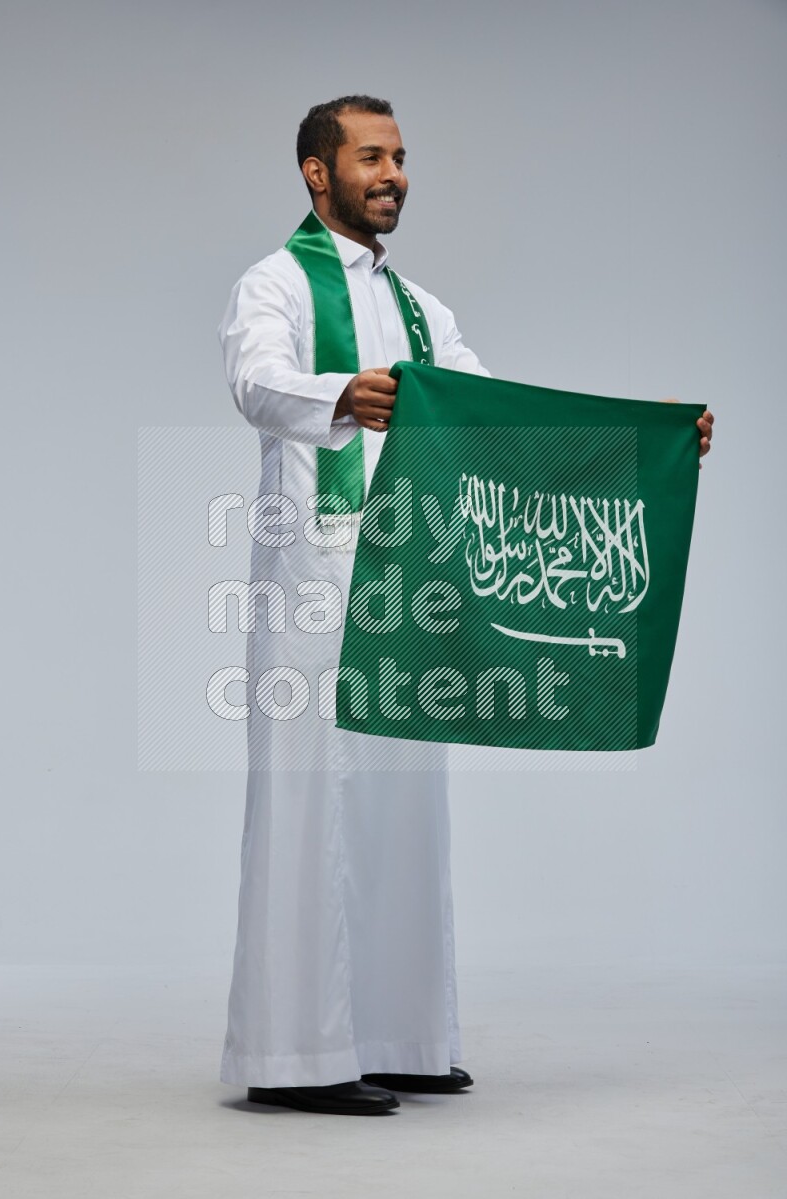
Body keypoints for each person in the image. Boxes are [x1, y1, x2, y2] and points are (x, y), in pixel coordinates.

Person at [217, 95, 715, 1119]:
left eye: (399, 156)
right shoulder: (274, 282)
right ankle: (293, 1055)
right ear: (317, 173)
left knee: (405, 799)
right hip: (317, 579)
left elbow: (501, 416)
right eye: (369, 157)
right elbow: (255, 382)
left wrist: (645, 438)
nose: (392, 173)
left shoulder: (419, 309)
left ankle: (400, 1037)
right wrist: (340, 397)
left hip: (411, 577)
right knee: (313, 805)